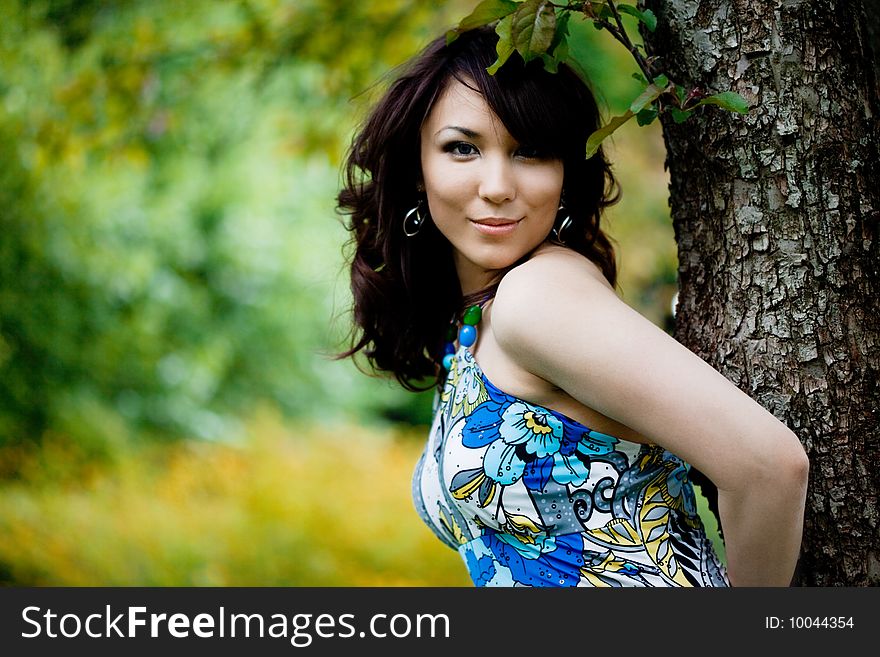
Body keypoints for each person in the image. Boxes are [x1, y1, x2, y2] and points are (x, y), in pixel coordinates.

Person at [337, 26, 809, 587]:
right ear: (418, 169)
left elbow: (770, 469)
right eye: (462, 148)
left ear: (565, 175)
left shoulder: (538, 298)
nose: (495, 186)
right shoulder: (477, 316)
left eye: (530, 151)